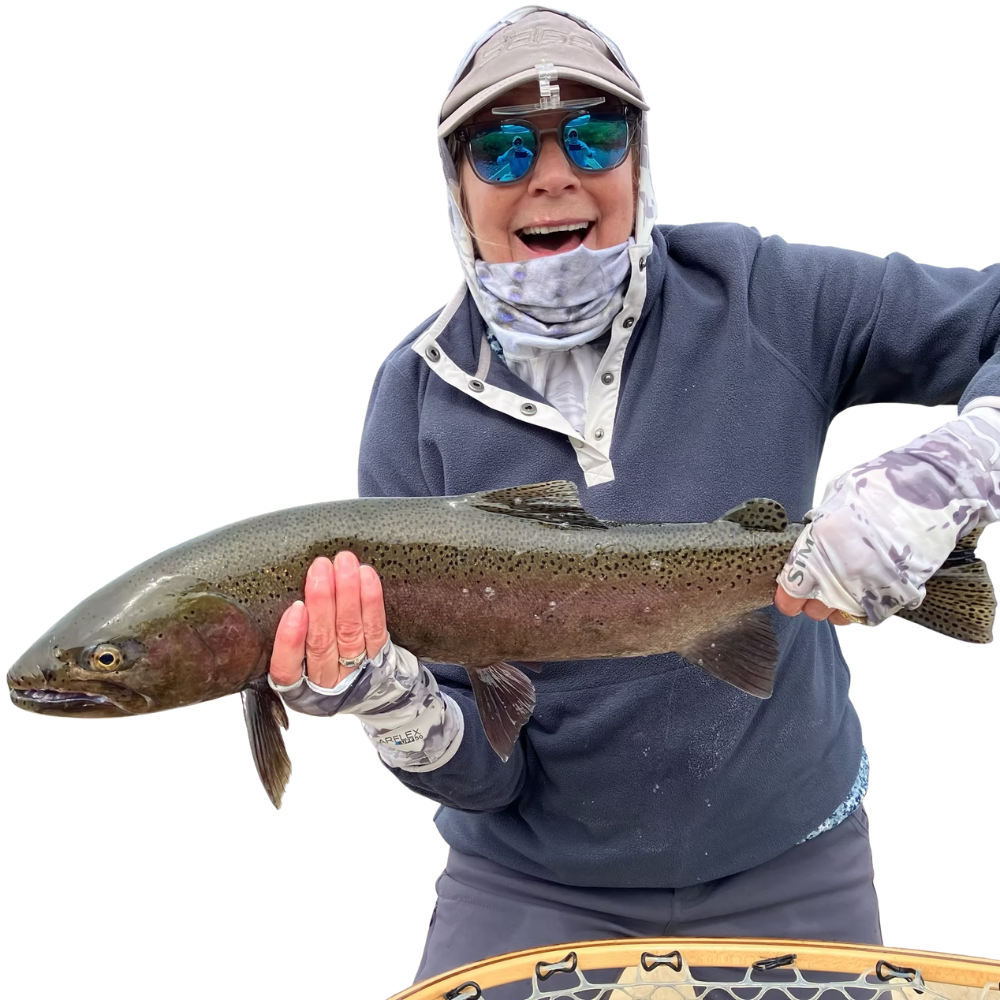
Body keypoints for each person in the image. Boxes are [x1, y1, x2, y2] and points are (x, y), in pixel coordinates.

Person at [268, 4, 999, 994]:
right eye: (503, 146)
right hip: (525, 883)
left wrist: (947, 476)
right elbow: (480, 770)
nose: (555, 170)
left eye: (595, 131)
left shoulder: (757, 287)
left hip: (795, 851)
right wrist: (384, 699)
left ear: (639, 159)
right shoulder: (410, 394)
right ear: (455, 187)